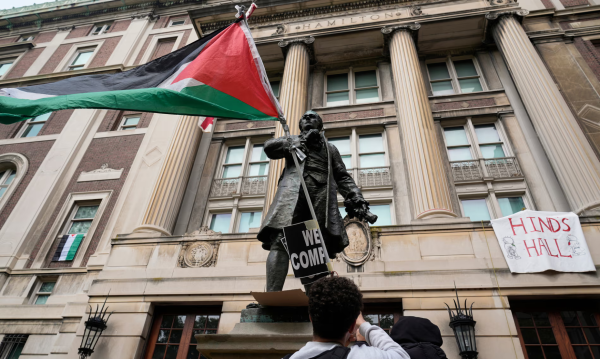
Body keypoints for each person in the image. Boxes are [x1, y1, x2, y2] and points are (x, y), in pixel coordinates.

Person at [258, 111, 375, 292]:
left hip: (320, 199)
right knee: (280, 241)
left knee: (312, 249)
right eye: (304, 117)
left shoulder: (330, 148)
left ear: (320, 125)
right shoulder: (292, 140)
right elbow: (269, 147)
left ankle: (315, 301)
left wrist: (356, 196)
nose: (307, 119)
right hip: (293, 196)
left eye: (312, 117)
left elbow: (342, 176)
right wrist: (300, 141)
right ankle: (271, 297)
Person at [284, 277, 410, 359]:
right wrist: (363, 324)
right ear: (351, 326)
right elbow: (401, 355)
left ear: (311, 318)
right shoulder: (360, 356)